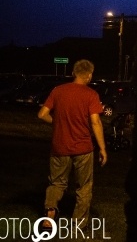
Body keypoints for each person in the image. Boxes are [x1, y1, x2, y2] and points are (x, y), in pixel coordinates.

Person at [37, 59, 107, 230]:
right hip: (83, 147)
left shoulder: (58, 91)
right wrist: (103, 148)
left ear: (73, 73)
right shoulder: (91, 95)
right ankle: (79, 222)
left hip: (59, 145)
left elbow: (42, 114)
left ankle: (49, 216)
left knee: (56, 183)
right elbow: (96, 122)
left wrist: (57, 122)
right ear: (89, 75)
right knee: (84, 186)